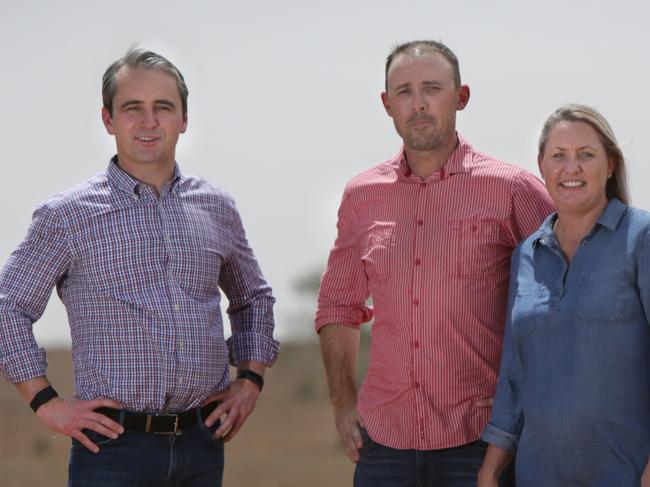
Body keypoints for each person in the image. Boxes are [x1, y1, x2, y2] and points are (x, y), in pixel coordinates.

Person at [0, 47, 278, 486]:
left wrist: (250, 380)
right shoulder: (68, 215)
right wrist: (46, 403)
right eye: (133, 108)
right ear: (109, 119)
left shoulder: (217, 208)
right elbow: (7, 306)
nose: (149, 122)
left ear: (183, 119)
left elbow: (254, 298)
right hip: (112, 450)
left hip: (202, 444)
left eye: (163, 108)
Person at [315, 39, 554, 487]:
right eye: (404, 92)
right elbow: (337, 307)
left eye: (432, 88)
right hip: (384, 445)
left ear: (461, 97)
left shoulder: (514, 190)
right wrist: (343, 403)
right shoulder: (361, 196)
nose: (418, 103)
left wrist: (533, 402)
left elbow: (565, 299)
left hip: (483, 442)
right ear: (387, 105)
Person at [479, 104, 650, 486]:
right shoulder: (526, 254)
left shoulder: (642, 237)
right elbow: (515, 374)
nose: (570, 168)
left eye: (585, 155)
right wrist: (490, 470)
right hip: (538, 474)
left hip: (624, 473)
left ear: (610, 164)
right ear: (541, 166)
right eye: (558, 156)